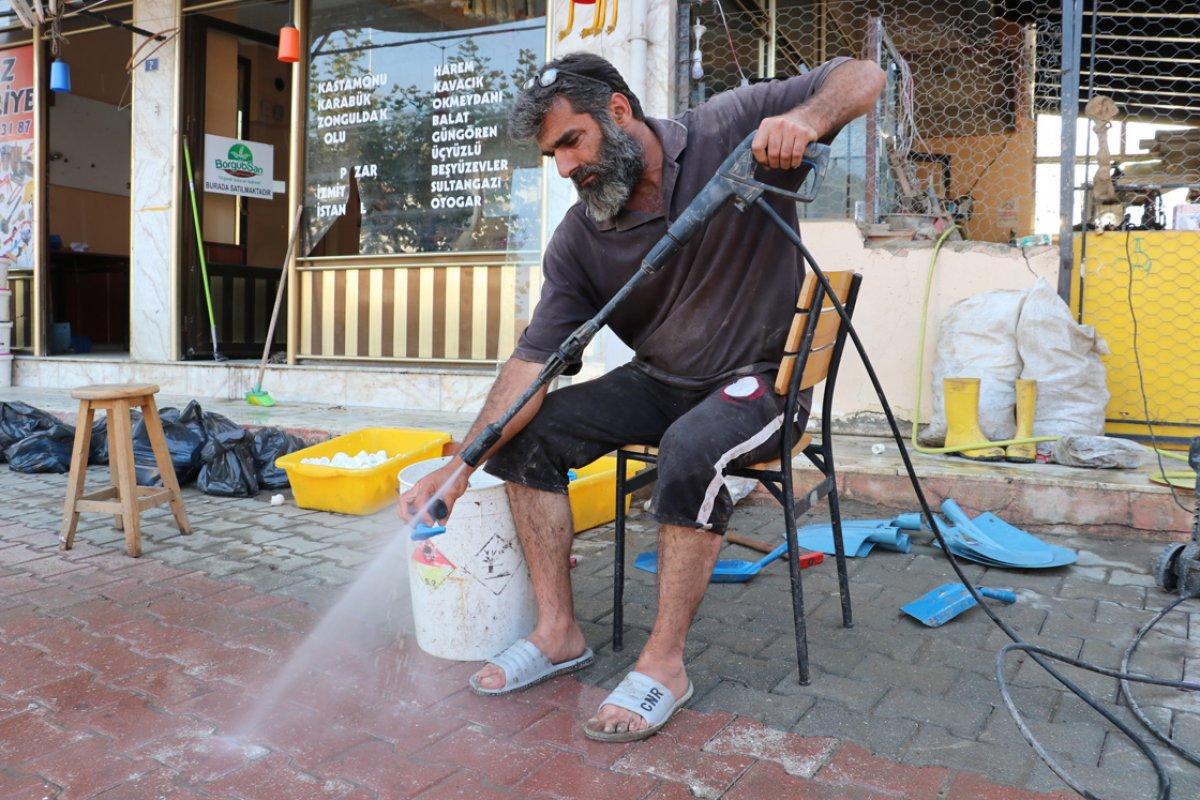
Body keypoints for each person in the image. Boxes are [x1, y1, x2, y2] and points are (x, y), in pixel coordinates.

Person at [399, 52, 884, 742]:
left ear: (618, 113)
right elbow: (531, 365)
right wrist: (462, 465)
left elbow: (863, 75)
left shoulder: (726, 126)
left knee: (693, 446)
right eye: (552, 155)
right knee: (529, 437)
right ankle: (558, 631)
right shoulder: (578, 240)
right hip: (662, 381)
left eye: (573, 141)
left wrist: (805, 119)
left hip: (764, 380)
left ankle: (664, 666)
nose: (565, 167)